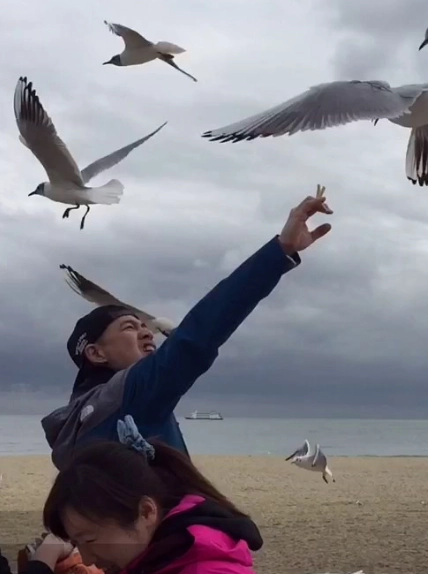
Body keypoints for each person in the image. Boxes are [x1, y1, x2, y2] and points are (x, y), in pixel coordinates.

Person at [40, 189, 333, 470]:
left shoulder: (77, 421)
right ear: (96, 353)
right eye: (130, 327)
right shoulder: (130, 395)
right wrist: (278, 252)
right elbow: (200, 332)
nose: (147, 333)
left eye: (146, 327)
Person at [20, 415, 261, 574]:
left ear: (146, 512)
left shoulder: (202, 567)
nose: (86, 557)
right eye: (77, 543)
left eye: (91, 540)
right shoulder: (164, 555)